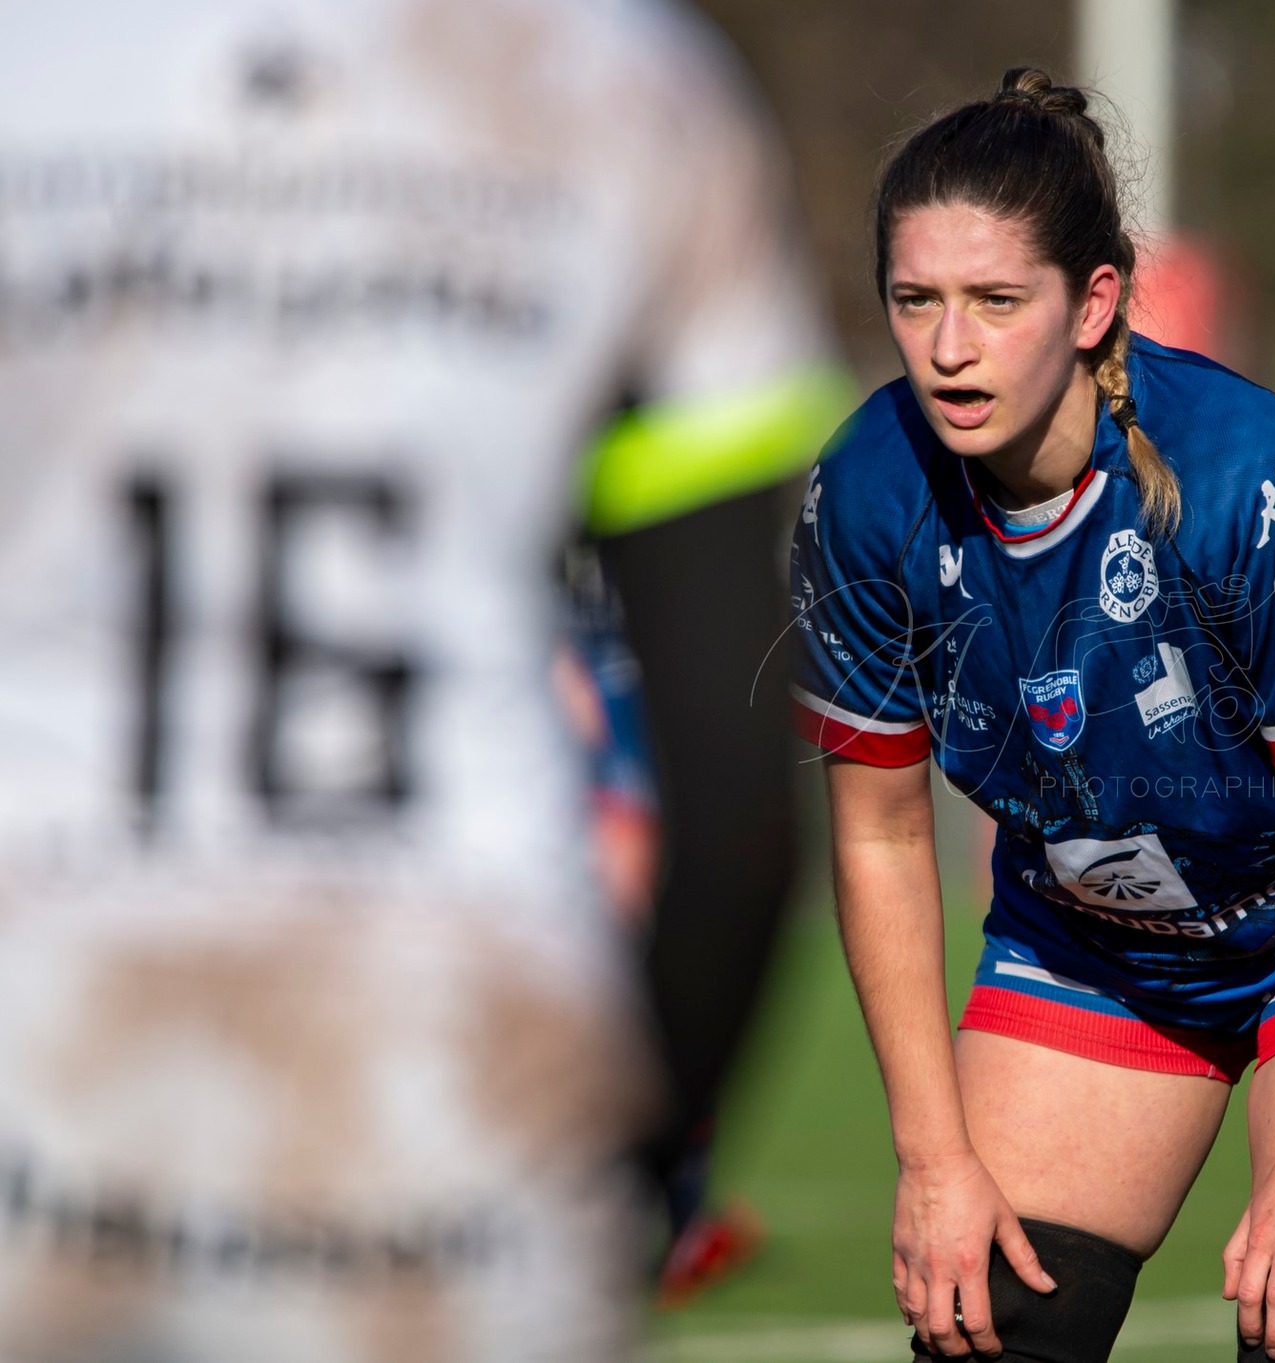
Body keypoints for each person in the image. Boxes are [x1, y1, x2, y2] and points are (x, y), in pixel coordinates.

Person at [0, 0, 840, 1357]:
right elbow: (738, 783)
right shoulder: (626, 85)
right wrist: (643, 1172)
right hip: (456, 1084)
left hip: (32, 1047)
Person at [788, 67, 1275, 1363]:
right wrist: (934, 1155)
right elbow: (881, 835)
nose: (949, 347)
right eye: (916, 302)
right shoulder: (864, 493)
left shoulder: (1242, 472)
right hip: (1097, 942)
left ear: (1093, 304)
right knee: (987, 1333)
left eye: (996, 302)